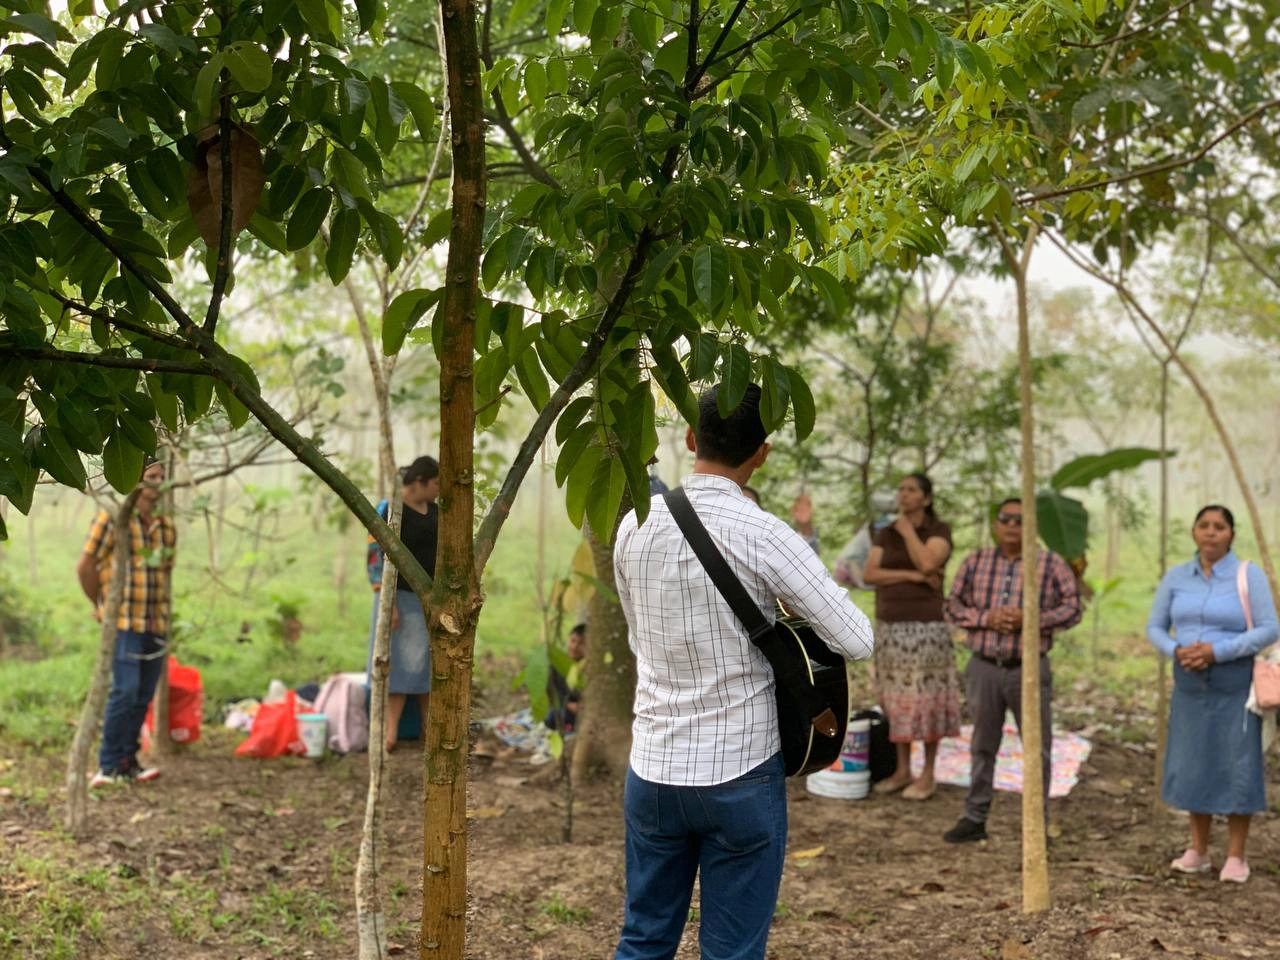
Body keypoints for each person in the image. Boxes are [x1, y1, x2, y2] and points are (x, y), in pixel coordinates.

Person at [612, 384, 874, 960]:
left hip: (652, 769)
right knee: (732, 951)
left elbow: (639, 640)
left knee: (643, 937)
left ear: (689, 440)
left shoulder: (633, 525)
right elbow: (856, 639)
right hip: (739, 770)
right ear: (763, 453)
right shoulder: (765, 532)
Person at [1147, 505, 1277, 884]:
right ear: (1193, 532)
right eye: (1203, 525)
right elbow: (1155, 625)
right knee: (1193, 761)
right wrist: (1176, 649)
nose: (1211, 532)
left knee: (1237, 761)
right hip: (1188, 682)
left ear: (1231, 535)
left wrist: (1217, 651)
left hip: (1234, 682)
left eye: (1219, 527)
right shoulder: (1176, 578)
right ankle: (1198, 850)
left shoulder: (1247, 575)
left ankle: (1236, 855)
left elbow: (1269, 629)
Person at [941, 497, 1082, 843]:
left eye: (1020, 520)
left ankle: (1037, 822)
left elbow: (1073, 608)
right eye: (1005, 519)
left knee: (1037, 747)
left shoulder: (1049, 564)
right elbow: (952, 605)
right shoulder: (976, 561)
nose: (1012, 526)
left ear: (1031, 526)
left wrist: (1030, 619)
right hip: (984, 667)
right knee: (982, 743)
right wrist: (986, 618)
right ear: (996, 524)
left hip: (1028, 670)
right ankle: (975, 817)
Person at [78, 459, 177, 787]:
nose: (158, 483)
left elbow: (165, 572)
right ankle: (107, 764)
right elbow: (86, 565)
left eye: (162, 477)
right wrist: (99, 605)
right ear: (135, 480)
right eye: (151, 477)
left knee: (143, 694)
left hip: (156, 624)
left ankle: (127, 761)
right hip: (123, 621)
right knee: (125, 691)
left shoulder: (165, 526)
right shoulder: (113, 519)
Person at [862, 473, 959, 801]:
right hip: (890, 627)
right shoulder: (884, 532)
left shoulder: (938, 531)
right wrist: (911, 575)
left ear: (926, 498)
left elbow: (930, 561)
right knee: (896, 698)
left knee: (927, 698)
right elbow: (870, 573)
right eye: (901, 489)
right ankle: (902, 769)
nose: (903, 494)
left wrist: (908, 533)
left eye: (912, 489)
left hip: (927, 628)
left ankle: (928, 773)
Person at [367, 455, 439, 752]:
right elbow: (375, 557)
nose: (438, 490)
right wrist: (389, 603)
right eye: (435, 483)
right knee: (397, 667)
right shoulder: (390, 510)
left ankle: (428, 729)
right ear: (420, 482)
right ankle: (390, 733)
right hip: (399, 600)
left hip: (429, 600)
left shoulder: (436, 511)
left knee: (426, 667)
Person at [834, 491, 896, 591]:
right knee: (852, 562)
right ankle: (862, 584)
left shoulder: (887, 522)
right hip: (850, 565)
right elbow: (851, 556)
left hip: (863, 562)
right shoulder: (870, 529)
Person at [545, 622, 586, 732]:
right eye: (573, 641)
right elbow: (552, 692)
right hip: (564, 707)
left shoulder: (589, 667)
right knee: (552, 716)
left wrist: (581, 706)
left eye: (581, 643)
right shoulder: (557, 664)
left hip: (584, 711)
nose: (574, 647)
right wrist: (568, 705)